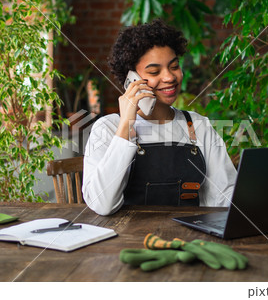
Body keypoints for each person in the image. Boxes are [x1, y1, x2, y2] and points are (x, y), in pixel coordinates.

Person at [82, 19, 237, 216]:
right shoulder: (107, 128)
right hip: (126, 242)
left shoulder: (198, 126)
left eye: (174, 66)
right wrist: (126, 125)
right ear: (132, 80)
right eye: (155, 71)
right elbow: (102, 205)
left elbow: (226, 197)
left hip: (189, 239)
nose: (170, 77)